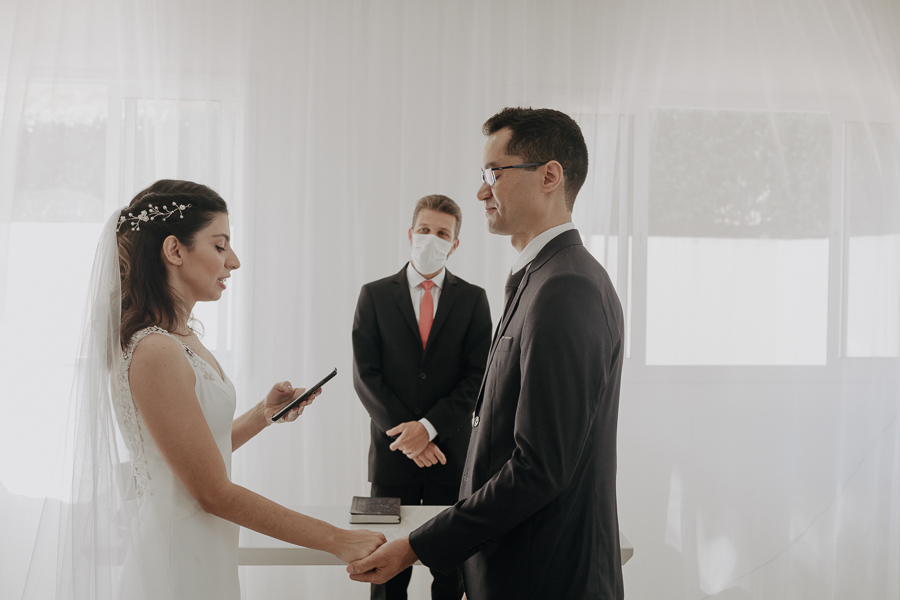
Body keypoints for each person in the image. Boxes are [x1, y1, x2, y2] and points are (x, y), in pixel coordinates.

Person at [26, 180, 385, 600]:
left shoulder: (181, 339)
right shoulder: (155, 350)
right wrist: (335, 539)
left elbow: (192, 455)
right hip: (175, 557)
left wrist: (261, 415)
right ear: (175, 251)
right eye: (220, 245)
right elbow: (211, 490)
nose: (233, 261)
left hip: (203, 546)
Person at [347, 107, 626, 599]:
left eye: (493, 174)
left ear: (549, 176)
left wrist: (415, 546)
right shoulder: (540, 278)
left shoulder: (566, 288)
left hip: (542, 578)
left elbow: (539, 468)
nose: (481, 191)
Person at [352, 194, 492, 600]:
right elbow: (366, 376)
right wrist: (410, 436)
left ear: (456, 244)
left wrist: (429, 429)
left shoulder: (473, 299)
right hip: (392, 459)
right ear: (411, 233)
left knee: (450, 572)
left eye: (443, 234)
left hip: (451, 458)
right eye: (426, 230)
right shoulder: (374, 295)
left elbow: (478, 378)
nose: (432, 239)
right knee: (385, 573)